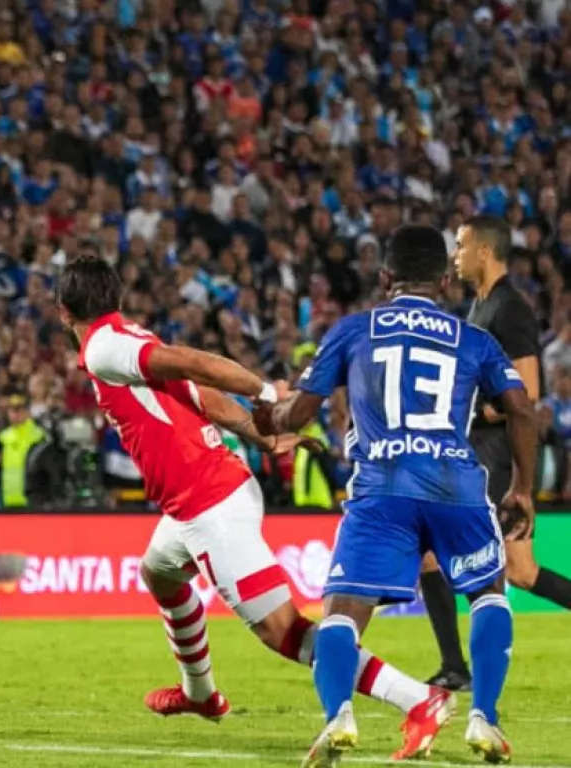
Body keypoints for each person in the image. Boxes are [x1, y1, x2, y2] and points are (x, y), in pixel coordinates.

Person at [56, 254, 449, 761]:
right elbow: (200, 396)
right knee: (159, 573)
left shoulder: (105, 347)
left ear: (64, 312)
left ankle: (418, 699)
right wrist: (260, 436)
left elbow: (196, 364)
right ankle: (201, 694)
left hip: (210, 504)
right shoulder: (127, 338)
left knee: (284, 631)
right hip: (198, 500)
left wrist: (265, 393)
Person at [259, 225, 537, 766]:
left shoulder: (353, 330)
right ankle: (484, 717)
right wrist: (522, 489)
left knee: (343, 610)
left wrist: (269, 415)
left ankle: (339, 716)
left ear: (385, 278)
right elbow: (522, 409)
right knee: (487, 592)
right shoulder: (473, 339)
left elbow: (298, 414)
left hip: (382, 486)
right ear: (443, 281)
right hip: (456, 485)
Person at [417, 215, 571, 692]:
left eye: (461, 246)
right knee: (522, 571)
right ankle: (458, 667)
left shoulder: (510, 309)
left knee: (431, 553)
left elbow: (528, 392)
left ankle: (456, 667)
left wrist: (476, 411)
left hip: (499, 453)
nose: (455, 255)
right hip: (488, 450)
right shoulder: (481, 306)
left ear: (484, 251)